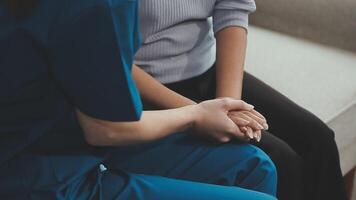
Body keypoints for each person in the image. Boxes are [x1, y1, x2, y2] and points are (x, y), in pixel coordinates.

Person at [0, 0, 277, 199]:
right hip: (42, 175)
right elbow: (106, 128)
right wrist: (195, 115)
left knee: (253, 165)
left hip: (62, 134)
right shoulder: (101, 7)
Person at [133, 0, 348, 200]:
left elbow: (233, 6)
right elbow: (108, 58)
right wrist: (198, 113)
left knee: (318, 141)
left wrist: (229, 102)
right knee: (280, 160)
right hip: (138, 90)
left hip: (208, 71)